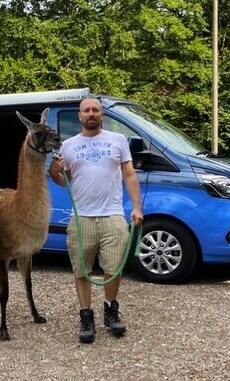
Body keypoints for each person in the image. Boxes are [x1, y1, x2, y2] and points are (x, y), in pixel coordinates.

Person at [48, 96, 143, 343]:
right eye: (86, 110)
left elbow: (129, 175)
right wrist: (54, 172)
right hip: (82, 218)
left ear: (102, 115)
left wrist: (136, 207)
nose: (91, 114)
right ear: (79, 116)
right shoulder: (68, 146)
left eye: (95, 110)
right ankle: (86, 316)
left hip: (112, 215)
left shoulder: (118, 140)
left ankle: (111, 311)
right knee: (82, 270)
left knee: (113, 270)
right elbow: (64, 181)